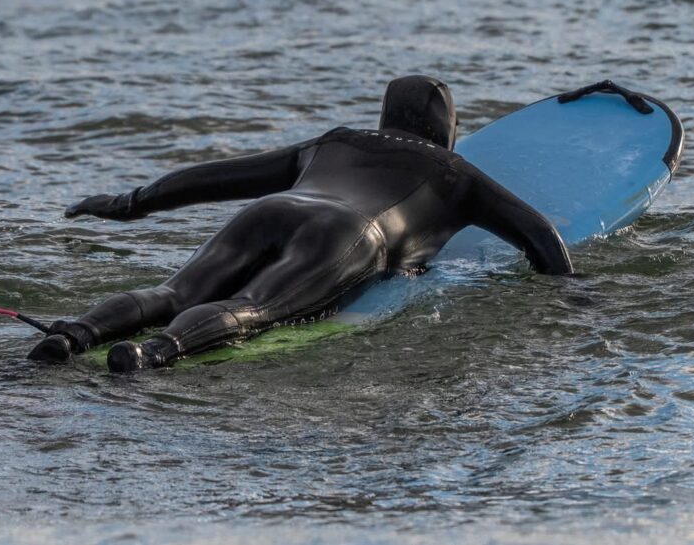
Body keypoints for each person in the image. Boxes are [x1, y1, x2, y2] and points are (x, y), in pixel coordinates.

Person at [29, 75, 573, 372]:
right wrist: (572, 294)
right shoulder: (457, 174)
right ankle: (152, 353)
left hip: (274, 208)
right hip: (351, 235)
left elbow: (218, 177)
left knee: (173, 290)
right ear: (448, 130)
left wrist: (131, 201)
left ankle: (76, 334)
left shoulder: (335, 141)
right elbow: (540, 236)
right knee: (256, 308)